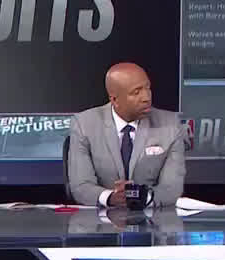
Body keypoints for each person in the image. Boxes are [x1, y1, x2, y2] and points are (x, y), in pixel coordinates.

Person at [65, 62, 186, 208]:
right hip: (100, 218)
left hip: (152, 217)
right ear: (114, 100)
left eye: (148, 88)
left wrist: (142, 197)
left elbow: (172, 188)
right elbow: (81, 185)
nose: (146, 98)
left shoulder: (171, 125)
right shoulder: (84, 124)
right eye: (136, 92)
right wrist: (110, 197)